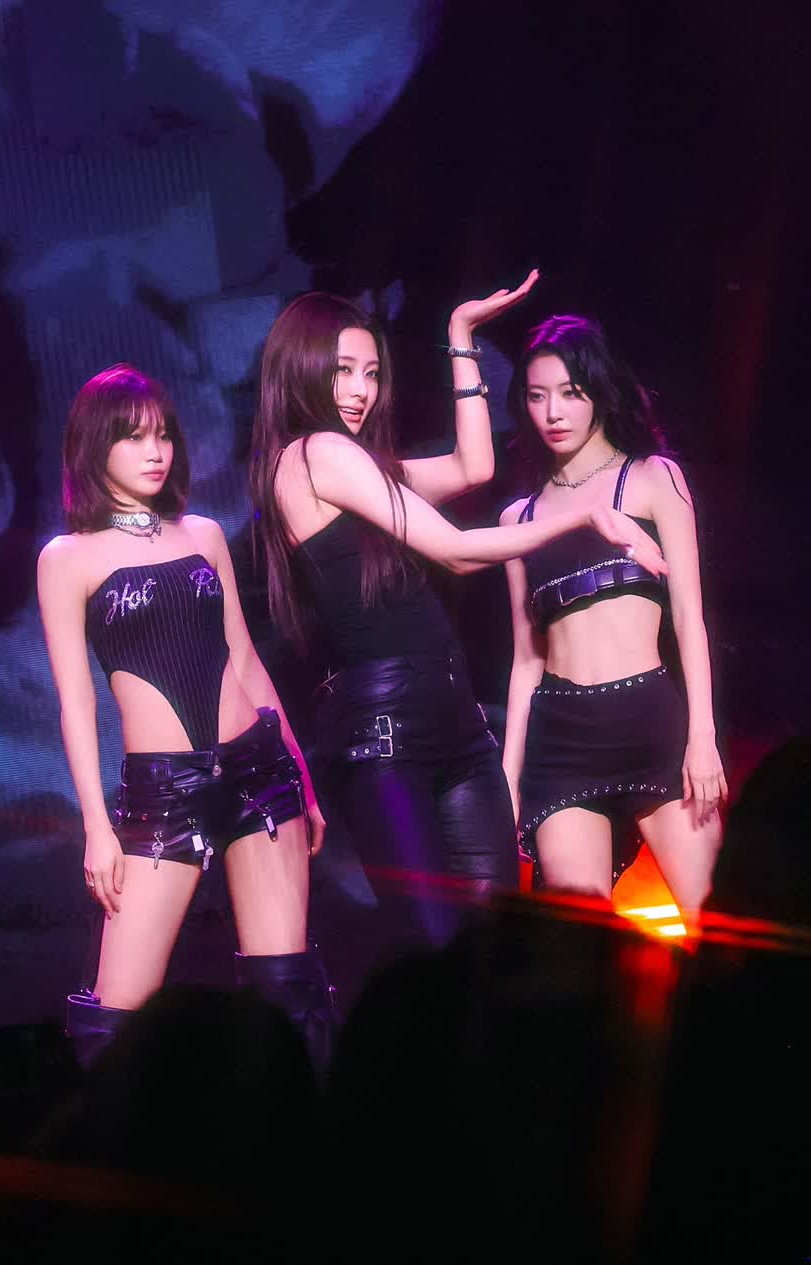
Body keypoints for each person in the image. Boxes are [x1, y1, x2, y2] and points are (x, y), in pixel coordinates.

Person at [247, 279, 668, 961]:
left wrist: (461, 339)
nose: (360, 391)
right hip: (386, 729)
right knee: (441, 961)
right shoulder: (315, 454)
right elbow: (456, 549)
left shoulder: (355, 467)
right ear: (300, 368)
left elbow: (474, 465)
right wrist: (584, 518)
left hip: (452, 716)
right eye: (343, 371)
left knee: (491, 952)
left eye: (372, 373)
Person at [37, 365, 334, 1067]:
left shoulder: (202, 534)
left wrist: (301, 775)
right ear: (94, 445)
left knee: (285, 995)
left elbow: (246, 660)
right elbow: (75, 701)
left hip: (260, 772)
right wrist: (96, 827)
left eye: (164, 434)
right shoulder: (67, 558)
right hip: (163, 792)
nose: (156, 451)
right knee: (115, 1018)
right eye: (135, 437)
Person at [498, 315, 724, 925]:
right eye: (537, 396)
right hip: (561, 745)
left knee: (720, 929)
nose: (553, 412)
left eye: (570, 392)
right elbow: (526, 659)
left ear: (598, 390)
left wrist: (702, 737)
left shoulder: (652, 478)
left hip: (653, 728)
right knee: (579, 949)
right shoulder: (519, 519)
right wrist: (508, 778)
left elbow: (690, 618)